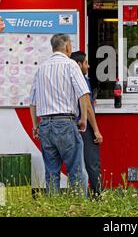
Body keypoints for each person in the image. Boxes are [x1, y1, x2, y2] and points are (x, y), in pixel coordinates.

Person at [29, 34, 90, 196]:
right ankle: (79, 207)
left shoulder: (41, 68)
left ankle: (53, 207)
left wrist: (36, 126)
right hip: (65, 122)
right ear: (68, 47)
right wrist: (83, 119)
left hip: (45, 125)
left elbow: (33, 101)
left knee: (51, 172)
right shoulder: (70, 65)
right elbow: (83, 93)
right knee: (76, 170)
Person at [70, 51, 103, 197]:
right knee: (92, 163)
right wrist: (96, 130)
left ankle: (79, 195)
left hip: (70, 125)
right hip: (85, 126)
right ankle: (97, 195)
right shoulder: (82, 80)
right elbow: (88, 107)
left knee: (76, 164)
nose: (88, 66)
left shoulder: (68, 79)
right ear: (78, 64)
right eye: (85, 63)